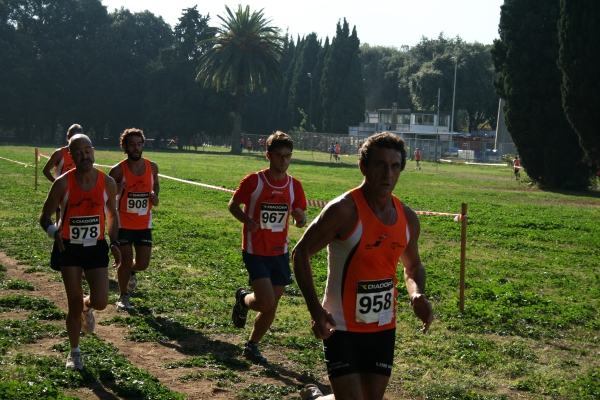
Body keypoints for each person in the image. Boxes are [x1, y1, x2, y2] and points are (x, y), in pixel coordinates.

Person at [292, 132, 433, 400]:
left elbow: (413, 266)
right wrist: (315, 309)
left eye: (394, 166)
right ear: (363, 167)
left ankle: (318, 399)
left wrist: (416, 293)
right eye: (380, 164)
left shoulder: (408, 219)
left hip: (382, 326)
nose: (387, 174)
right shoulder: (344, 210)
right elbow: (300, 253)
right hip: (340, 325)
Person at [39, 134, 121, 371]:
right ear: (71, 155)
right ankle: (74, 353)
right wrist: (54, 232)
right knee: (72, 303)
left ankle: (88, 306)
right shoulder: (63, 183)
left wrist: (114, 241)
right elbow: (44, 216)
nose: (85, 155)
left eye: (88, 151)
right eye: (79, 152)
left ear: (93, 152)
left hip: (95, 247)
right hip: (69, 247)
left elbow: (112, 214)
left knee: (102, 301)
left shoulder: (107, 183)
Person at [228, 131, 307, 364]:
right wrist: (246, 220)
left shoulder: (295, 186)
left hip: (280, 252)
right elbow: (233, 204)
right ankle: (243, 299)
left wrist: (300, 218)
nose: (283, 160)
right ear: (268, 156)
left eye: (287, 155)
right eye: (279, 155)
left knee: (272, 305)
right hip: (255, 250)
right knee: (265, 302)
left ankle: (252, 345)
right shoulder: (254, 181)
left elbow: (299, 222)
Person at [109, 128, 160, 310]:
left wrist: (154, 196)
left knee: (143, 263)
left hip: (144, 222)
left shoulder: (152, 167)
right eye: (132, 144)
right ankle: (123, 295)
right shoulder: (117, 170)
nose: (136, 148)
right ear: (125, 147)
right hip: (124, 223)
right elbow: (106, 195)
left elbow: (156, 186)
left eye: (139, 144)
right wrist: (118, 191)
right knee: (125, 259)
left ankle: (131, 271)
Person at [42, 124, 83, 223]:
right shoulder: (60, 153)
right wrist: (56, 182)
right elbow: (46, 170)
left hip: (79, 190)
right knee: (60, 219)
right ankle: (58, 236)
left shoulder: (84, 153)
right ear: (68, 137)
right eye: (71, 136)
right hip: (62, 191)